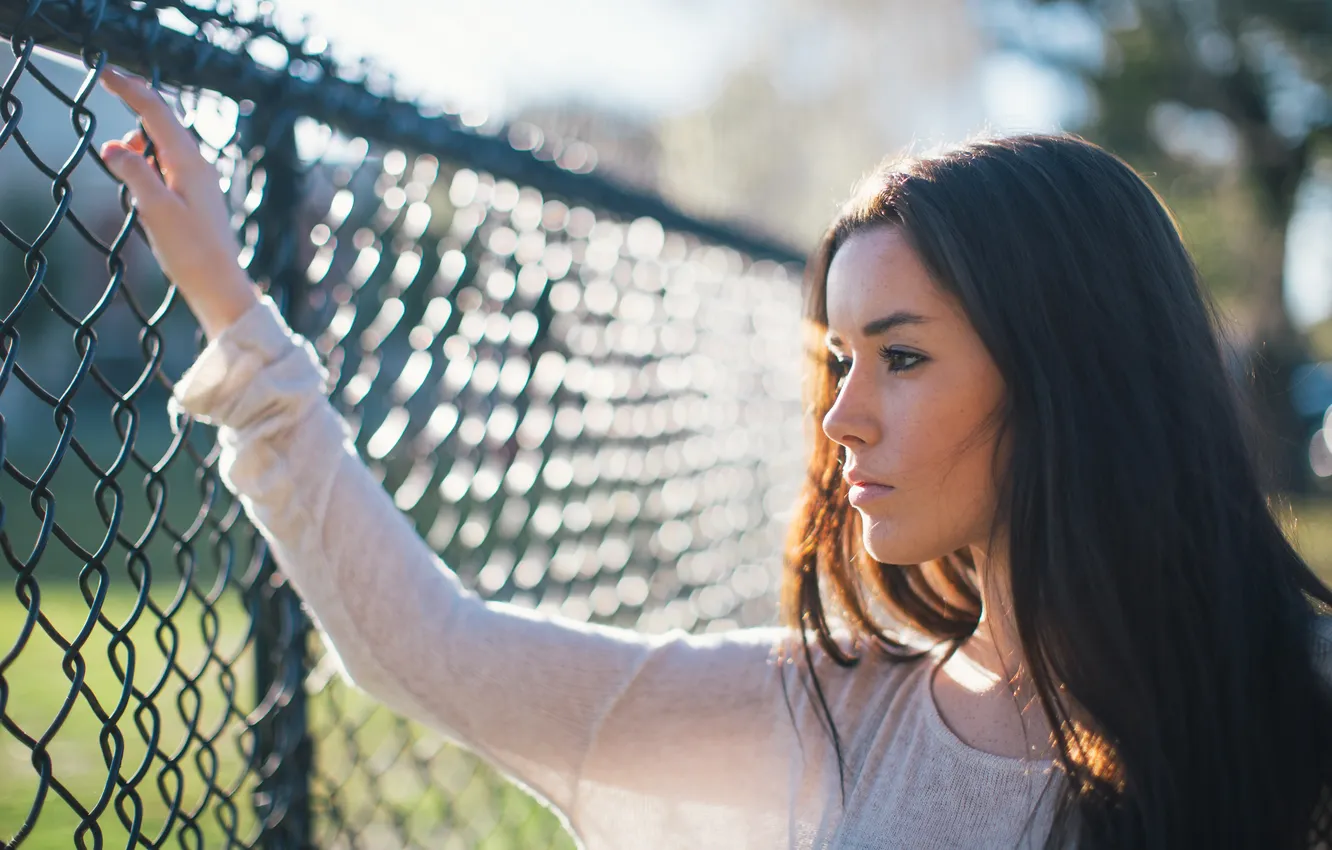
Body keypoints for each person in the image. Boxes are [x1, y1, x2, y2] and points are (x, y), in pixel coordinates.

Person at [97, 68, 1332, 849]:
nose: (842, 418)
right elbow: (438, 650)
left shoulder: (1297, 700)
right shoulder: (839, 708)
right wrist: (232, 308)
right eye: (838, 361)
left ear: (1073, 370)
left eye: (901, 359)